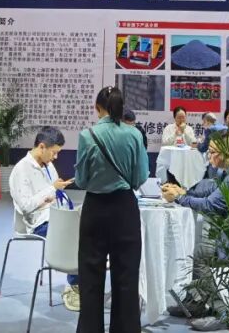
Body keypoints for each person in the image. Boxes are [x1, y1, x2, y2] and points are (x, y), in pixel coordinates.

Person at [162, 131, 229, 332]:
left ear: (227, 153)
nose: (209, 156)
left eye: (213, 152)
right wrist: (183, 191)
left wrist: (179, 198)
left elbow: (209, 204)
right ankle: (196, 301)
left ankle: (222, 313)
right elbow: (212, 189)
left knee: (201, 255)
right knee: (199, 249)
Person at [74, 86, 148, 333]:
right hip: (125, 209)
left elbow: (81, 181)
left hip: (95, 210)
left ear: (98, 108)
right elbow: (140, 177)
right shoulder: (134, 135)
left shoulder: (87, 135)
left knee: (90, 277)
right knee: (127, 277)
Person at [9, 126, 79, 309]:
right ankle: (73, 286)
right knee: (74, 237)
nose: (56, 157)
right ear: (42, 147)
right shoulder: (21, 169)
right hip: (38, 222)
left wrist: (54, 191)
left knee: (85, 227)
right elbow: (26, 206)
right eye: (54, 153)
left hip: (56, 214)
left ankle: (81, 282)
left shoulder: (48, 165)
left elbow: (51, 195)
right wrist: (51, 190)